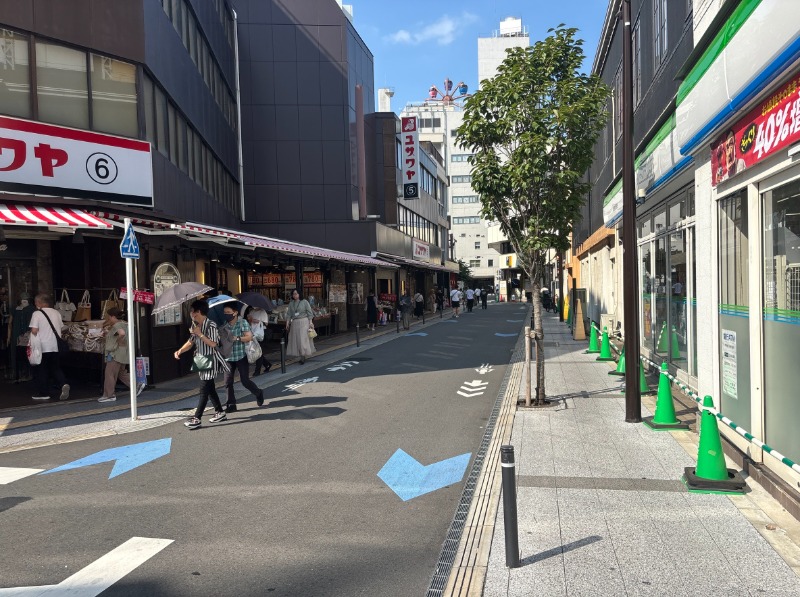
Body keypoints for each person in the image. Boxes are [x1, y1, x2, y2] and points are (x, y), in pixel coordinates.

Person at [174, 300, 228, 429]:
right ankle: (220, 412)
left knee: (204, 389)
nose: (191, 314)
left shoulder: (211, 325)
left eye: (193, 312)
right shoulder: (195, 325)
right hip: (201, 359)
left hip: (211, 359)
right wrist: (180, 350)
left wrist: (200, 334)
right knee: (210, 388)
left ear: (198, 312)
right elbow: (191, 342)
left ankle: (197, 418)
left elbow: (213, 343)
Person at [221, 305, 264, 412]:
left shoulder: (242, 322)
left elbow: (249, 337)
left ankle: (258, 392)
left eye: (228, 312)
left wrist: (237, 338)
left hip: (241, 356)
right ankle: (231, 404)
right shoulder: (224, 324)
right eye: (225, 313)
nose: (226, 314)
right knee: (227, 382)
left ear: (235, 312)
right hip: (228, 357)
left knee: (244, 381)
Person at [98, 307, 145, 402]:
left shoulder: (117, 325)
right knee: (121, 373)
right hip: (123, 353)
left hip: (115, 353)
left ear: (113, 317)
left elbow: (122, 333)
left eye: (109, 317)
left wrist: (118, 341)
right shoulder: (125, 324)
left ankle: (109, 395)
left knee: (109, 374)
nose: (108, 319)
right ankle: (136, 385)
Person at [29, 293, 69, 401]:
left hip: (42, 346)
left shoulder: (37, 314)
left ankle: (44, 393)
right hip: (55, 346)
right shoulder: (56, 313)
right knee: (55, 367)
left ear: (39, 302)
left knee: (42, 369)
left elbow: (34, 330)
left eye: (36, 302)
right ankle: (63, 383)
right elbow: (62, 328)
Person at [286, 289, 316, 364]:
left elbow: (309, 313)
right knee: (296, 340)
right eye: (293, 294)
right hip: (295, 323)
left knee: (302, 339)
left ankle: (303, 356)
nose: (294, 295)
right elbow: (289, 314)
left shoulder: (305, 302)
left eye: (296, 294)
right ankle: (300, 354)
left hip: (304, 322)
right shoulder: (291, 303)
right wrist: (287, 323)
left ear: (299, 294)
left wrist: (310, 323)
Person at [246, 307, 272, 376]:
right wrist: (250, 320)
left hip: (261, 334)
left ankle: (257, 371)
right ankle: (267, 364)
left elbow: (266, 324)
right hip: (253, 333)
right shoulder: (251, 312)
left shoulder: (263, 312)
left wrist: (257, 321)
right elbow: (250, 323)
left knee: (258, 352)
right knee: (258, 352)